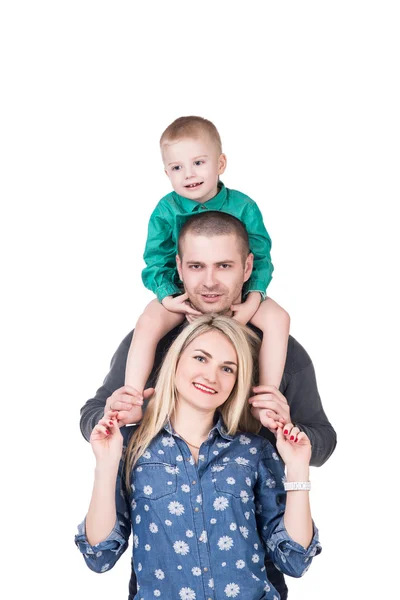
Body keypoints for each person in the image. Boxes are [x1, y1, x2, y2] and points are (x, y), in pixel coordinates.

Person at [79, 210, 336, 600]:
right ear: (179, 267)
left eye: (225, 265)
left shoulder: (280, 351)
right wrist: (117, 416)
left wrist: (279, 431)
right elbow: (94, 418)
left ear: (248, 267)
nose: (210, 281)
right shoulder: (153, 346)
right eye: (197, 266)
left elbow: (322, 441)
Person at [76, 315, 322, 600]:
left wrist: (298, 467)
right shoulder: (131, 447)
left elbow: (295, 560)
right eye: (201, 358)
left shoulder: (254, 452)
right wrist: (106, 466)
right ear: (176, 361)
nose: (211, 376)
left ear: (237, 381)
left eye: (227, 368)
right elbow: (99, 556)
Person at [125, 115, 290, 398]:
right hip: (182, 294)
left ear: (220, 164)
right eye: (177, 167)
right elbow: (156, 259)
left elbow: (260, 257)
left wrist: (253, 300)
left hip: (240, 295)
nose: (189, 174)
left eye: (198, 163)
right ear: (167, 173)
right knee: (149, 321)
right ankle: (131, 394)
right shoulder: (165, 211)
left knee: (278, 318)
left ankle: (267, 396)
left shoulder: (244, 207)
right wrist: (167, 296)